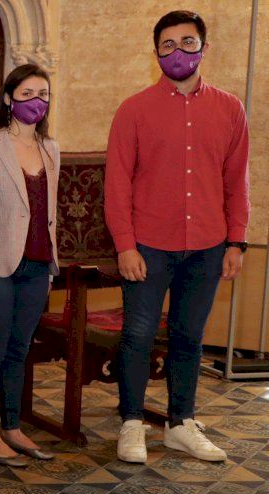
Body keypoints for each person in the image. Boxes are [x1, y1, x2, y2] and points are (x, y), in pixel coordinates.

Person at [106, 10, 250, 465]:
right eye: (167, 44)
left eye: (187, 42)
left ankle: (181, 424)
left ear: (204, 48)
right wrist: (125, 244)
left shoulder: (230, 109)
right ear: (156, 53)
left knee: (189, 336)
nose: (178, 51)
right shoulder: (133, 110)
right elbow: (117, 184)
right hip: (148, 245)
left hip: (208, 244)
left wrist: (236, 240)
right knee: (138, 335)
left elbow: (236, 180)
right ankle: (132, 423)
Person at [0, 64, 60, 467]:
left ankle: (13, 427)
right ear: (8, 99)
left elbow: (50, 211)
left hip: (37, 262)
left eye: (43, 94)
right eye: (27, 94)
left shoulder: (51, 148)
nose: (36, 101)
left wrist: (53, 263)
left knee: (19, 350)